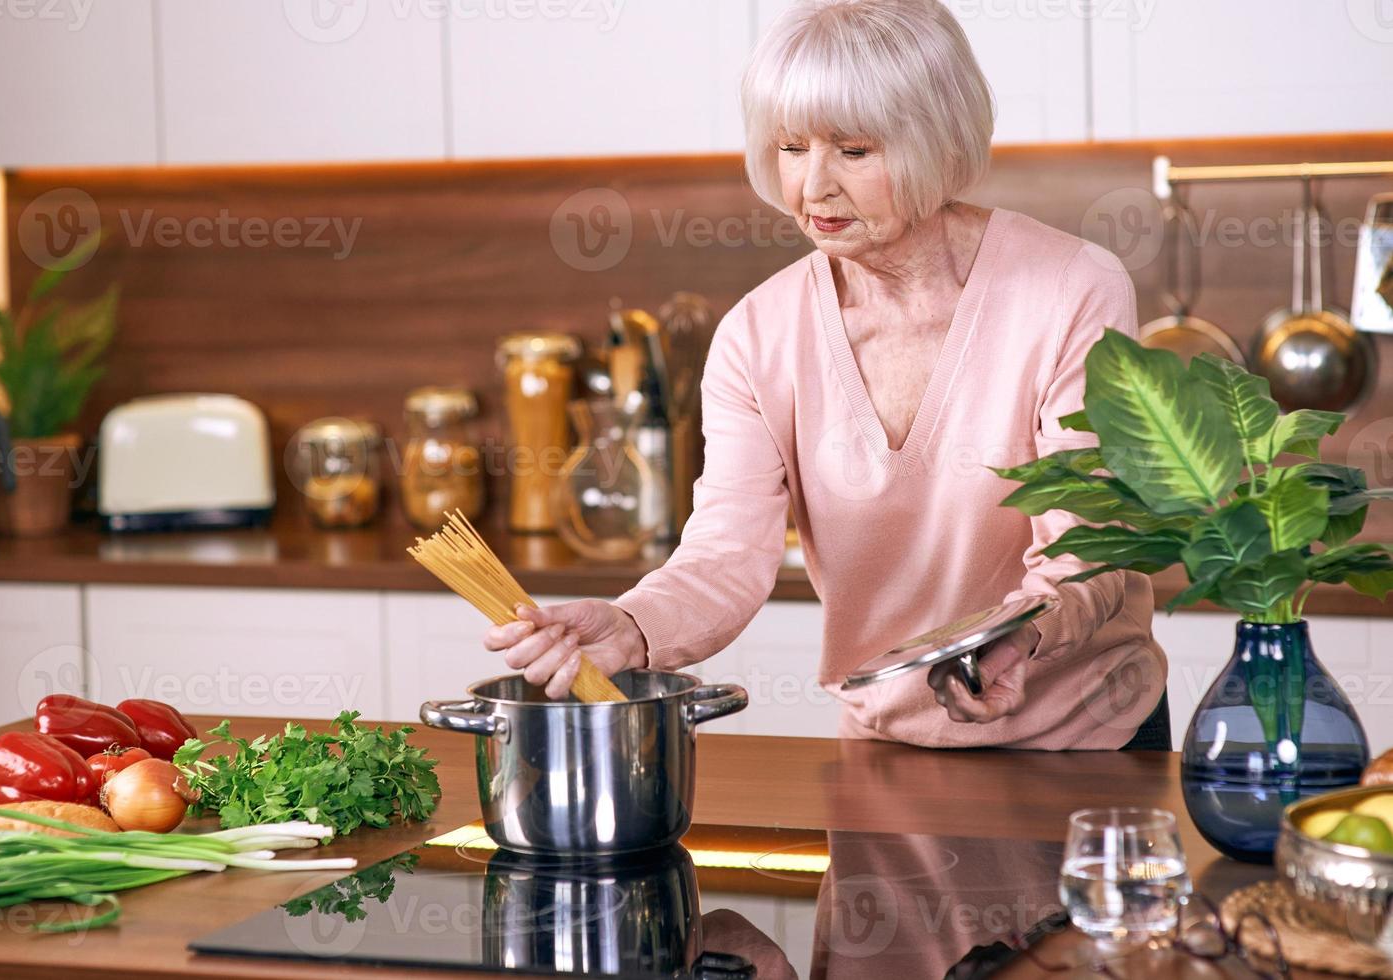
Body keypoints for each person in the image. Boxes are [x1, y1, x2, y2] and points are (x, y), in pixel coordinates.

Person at [486, 0, 1169, 750]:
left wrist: (1018, 639)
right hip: (887, 749)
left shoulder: (1071, 287)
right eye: (790, 147)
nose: (813, 188)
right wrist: (631, 624)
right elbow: (725, 557)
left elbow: (1097, 534)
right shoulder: (758, 334)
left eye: (853, 150)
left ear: (938, 142)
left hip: (1090, 741)